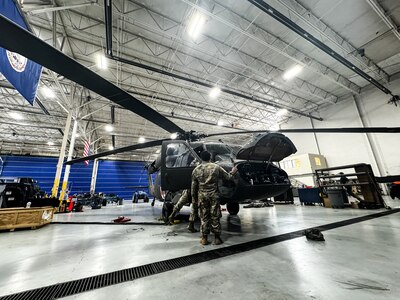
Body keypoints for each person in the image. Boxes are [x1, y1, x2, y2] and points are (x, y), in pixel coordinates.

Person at [191, 150, 237, 246]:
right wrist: (233, 172)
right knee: (215, 216)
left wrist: (194, 198)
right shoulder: (216, 167)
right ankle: (217, 238)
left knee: (204, 217)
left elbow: (193, 187)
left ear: (201, 158)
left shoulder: (196, 170)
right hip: (214, 196)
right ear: (210, 158)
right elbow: (228, 178)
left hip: (202, 196)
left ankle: (204, 238)